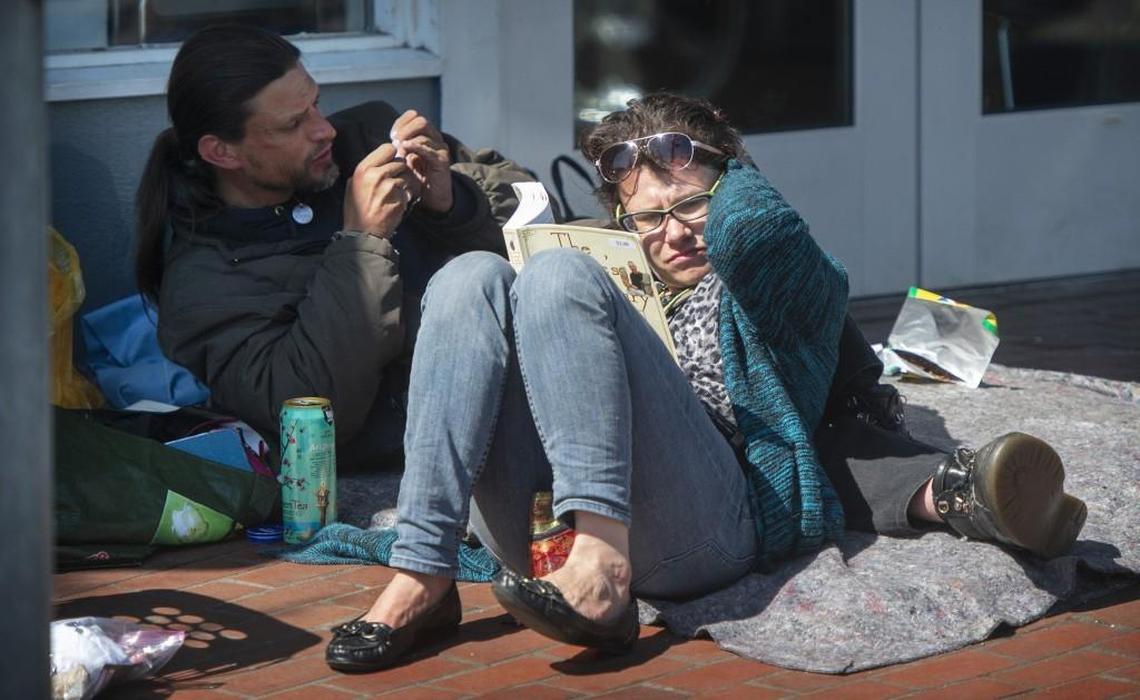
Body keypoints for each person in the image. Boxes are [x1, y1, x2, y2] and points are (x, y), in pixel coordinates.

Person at [323, 93, 1088, 672]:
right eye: (649, 218)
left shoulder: (766, 288)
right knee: (470, 275)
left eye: (693, 205)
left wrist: (722, 161)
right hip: (538, 531)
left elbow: (761, 232)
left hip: (699, 528)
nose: (676, 232)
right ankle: (421, 573)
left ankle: (603, 567)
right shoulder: (609, 272)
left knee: (560, 278)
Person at [134, 24, 536, 469]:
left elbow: (538, 214)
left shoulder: (364, 139)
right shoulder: (202, 287)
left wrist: (453, 201)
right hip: (439, 450)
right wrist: (362, 242)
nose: (324, 130)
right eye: (294, 123)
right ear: (222, 153)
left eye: (316, 103)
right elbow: (310, 413)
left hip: (535, 370)